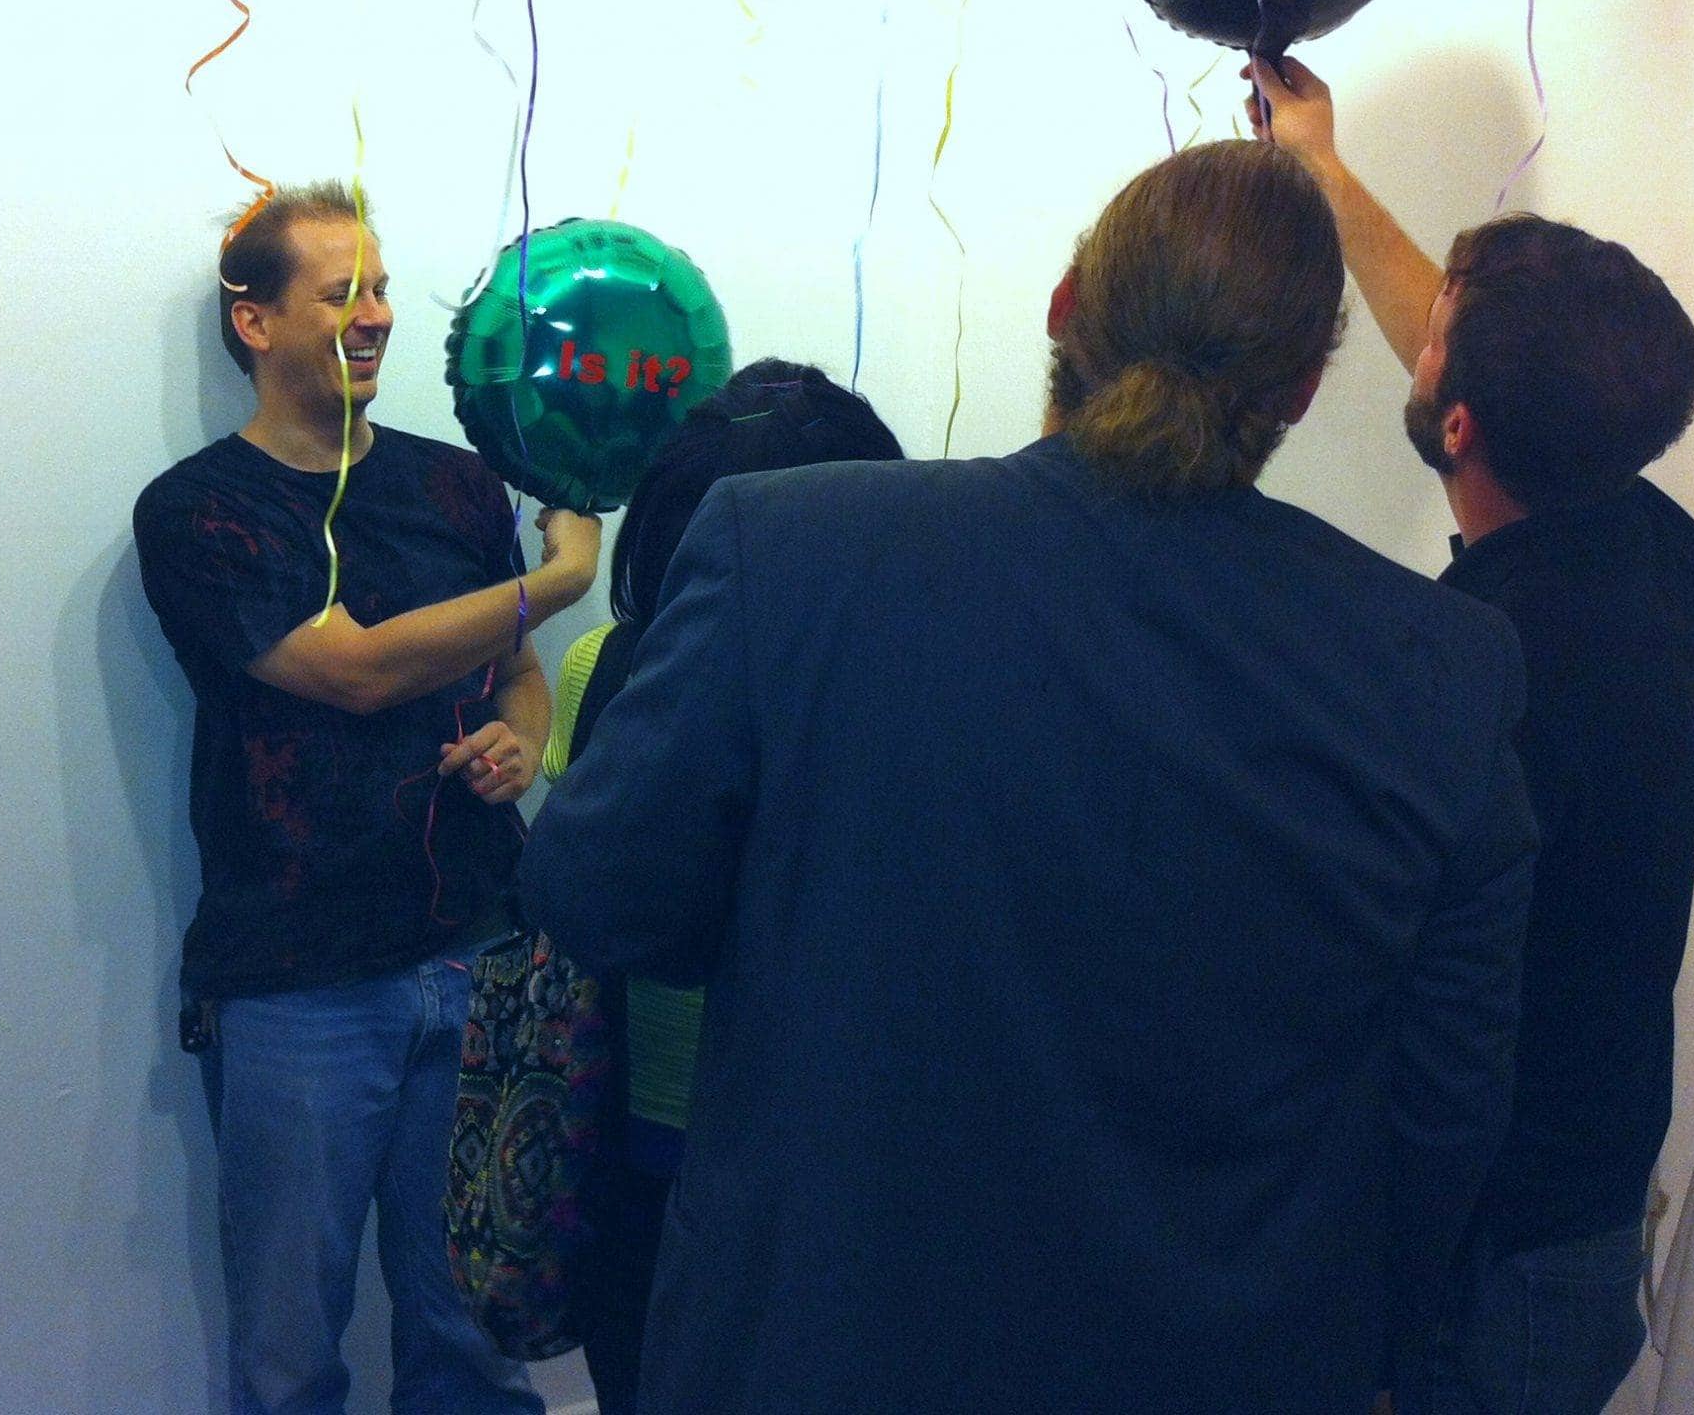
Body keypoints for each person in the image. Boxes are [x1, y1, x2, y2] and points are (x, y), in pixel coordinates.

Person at [520, 140, 1539, 1415]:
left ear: (1064, 309)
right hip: (1222, 1365)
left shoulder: (789, 552)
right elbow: (1447, 1107)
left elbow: (593, 892)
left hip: (827, 1341)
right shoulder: (1440, 666)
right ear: (1302, 387)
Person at [1253, 58, 1694, 1415]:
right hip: (1586, 1212)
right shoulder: (1658, 549)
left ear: (1456, 421)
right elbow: (1488, 382)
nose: (1419, 338)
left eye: (1436, 340)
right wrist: (1321, 167)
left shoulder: (1466, 668)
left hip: (1491, 1260)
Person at [131, 181, 601, 1415]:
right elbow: (353, 669)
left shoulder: (458, 486)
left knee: (475, 1345)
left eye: (381, 289)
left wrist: (519, 739)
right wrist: (561, 578)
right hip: (299, 980)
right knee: (289, 1362)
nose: (376, 315)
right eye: (342, 293)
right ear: (254, 322)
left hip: (481, 956)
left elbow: (515, 676)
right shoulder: (198, 509)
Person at [532, 359, 900, 1415]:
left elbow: (586, 885)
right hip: (846, 1125)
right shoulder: (915, 677)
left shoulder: (608, 664)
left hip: (650, 1126)